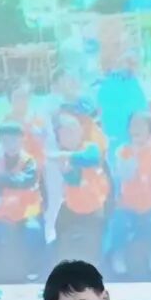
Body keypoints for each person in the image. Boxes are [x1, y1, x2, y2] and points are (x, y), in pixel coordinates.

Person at [0, 120, 44, 283]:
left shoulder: (29, 161)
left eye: (14, 139)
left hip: (28, 210)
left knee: (33, 233)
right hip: (7, 210)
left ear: (22, 140)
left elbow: (25, 181)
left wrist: (4, 179)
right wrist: (9, 180)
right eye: (6, 140)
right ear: (1, 142)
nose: (11, 144)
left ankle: (34, 268)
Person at [110, 112, 151, 276]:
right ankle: (118, 254)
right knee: (119, 224)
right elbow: (125, 175)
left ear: (150, 129)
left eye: (142, 125)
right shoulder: (123, 151)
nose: (137, 129)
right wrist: (135, 155)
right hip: (127, 203)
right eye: (134, 125)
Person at [47, 113, 109, 266]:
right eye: (65, 132)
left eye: (73, 130)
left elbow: (91, 158)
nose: (70, 135)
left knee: (93, 247)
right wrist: (67, 172)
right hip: (72, 208)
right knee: (61, 236)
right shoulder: (61, 158)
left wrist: (66, 156)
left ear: (80, 131)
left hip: (93, 208)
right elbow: (74, 181)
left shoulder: (90, 148)